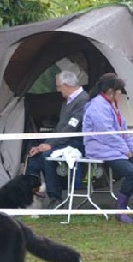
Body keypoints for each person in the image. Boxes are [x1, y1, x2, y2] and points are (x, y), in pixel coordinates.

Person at [25, 70, 89, 208]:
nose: (58, 90)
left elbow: (70, 129)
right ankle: (31, 197)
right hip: (64, 141)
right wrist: (43, 144)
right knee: (34, 158)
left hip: (76, 142)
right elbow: (60, 128)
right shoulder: (67, 102)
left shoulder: (83, 101)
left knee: (48, 156)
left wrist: (49, 146)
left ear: (66, 85)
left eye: (58, 86)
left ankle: (55, 198)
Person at [83, 73, 133, 223]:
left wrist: (131, 147)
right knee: (131, 173)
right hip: (101, 149)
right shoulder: (97, 106)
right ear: (111, 91)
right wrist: (126, 150)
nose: (120, 94)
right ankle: (120, 209)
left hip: (115, 148)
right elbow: (106, 134)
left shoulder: (113, 105)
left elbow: (124, 132)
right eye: (119, 91)